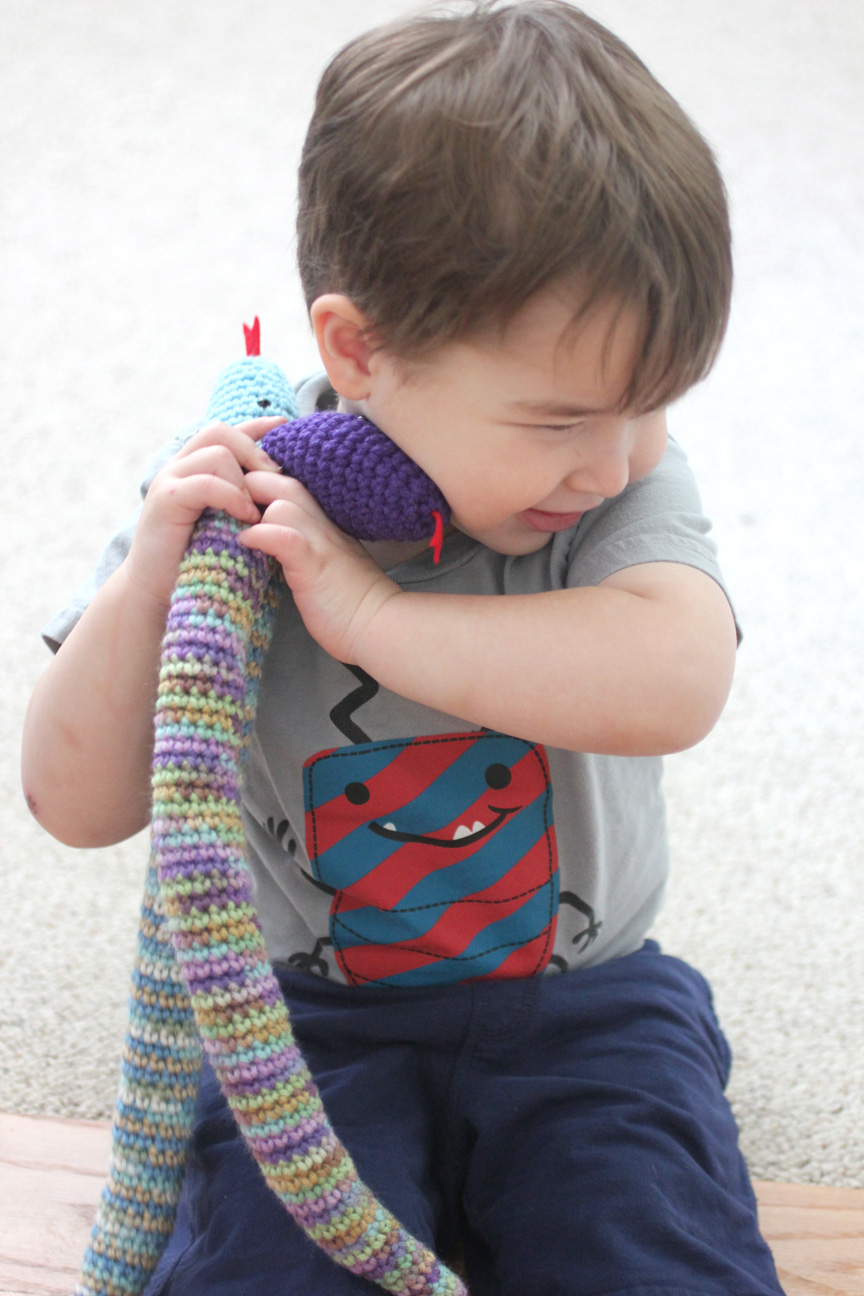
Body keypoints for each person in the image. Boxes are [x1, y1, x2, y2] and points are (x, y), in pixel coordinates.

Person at [21, 3, 784, 1293]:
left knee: (655, 1252)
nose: (613, 461)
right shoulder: (229, 515)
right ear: (360, 352)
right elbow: (73, 803)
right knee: (267, 1268)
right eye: (562, 420)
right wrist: (151, 584)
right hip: (305, 1024)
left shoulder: (620, 492)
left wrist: (376, 621)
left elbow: (678, 678)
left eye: (653, 406)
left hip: (589, 1002)